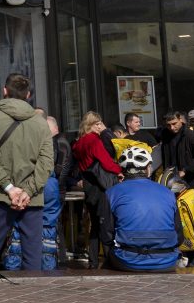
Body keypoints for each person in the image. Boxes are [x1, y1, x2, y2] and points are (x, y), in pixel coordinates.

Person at [0, 73, 54, 271]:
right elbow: (46, 162)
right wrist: (28, 191)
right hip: (32, 198)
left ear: (5, 91)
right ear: (28, 95)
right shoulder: (40, 122)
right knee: (32, 258)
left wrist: (9, 188)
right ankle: (32, 298)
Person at [100, 147, 181, 271]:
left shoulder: (112, 193)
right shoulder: (168, 192)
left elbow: (106, 235)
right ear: (148, 169)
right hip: (167, 260)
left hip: (128, 260)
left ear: (122, 171)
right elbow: (179, 235)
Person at [71, 111, 124, 268]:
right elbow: (106, 162)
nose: (101, 126)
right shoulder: (93, 140)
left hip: (88, 185)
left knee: (95, 223)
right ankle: (109, 260)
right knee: (105, 223)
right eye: (98, 123)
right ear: (93, 125)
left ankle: (93, 261)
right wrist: (120, 170)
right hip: (100, 185)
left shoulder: (78, 143)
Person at [160, 111, 194, 188]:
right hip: (171, 179)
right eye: (168, 125)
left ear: (181, 120)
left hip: (191, 180)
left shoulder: (191, 136)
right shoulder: (165, 135)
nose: (172, 127)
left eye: (174, 123)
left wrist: (186, 170)